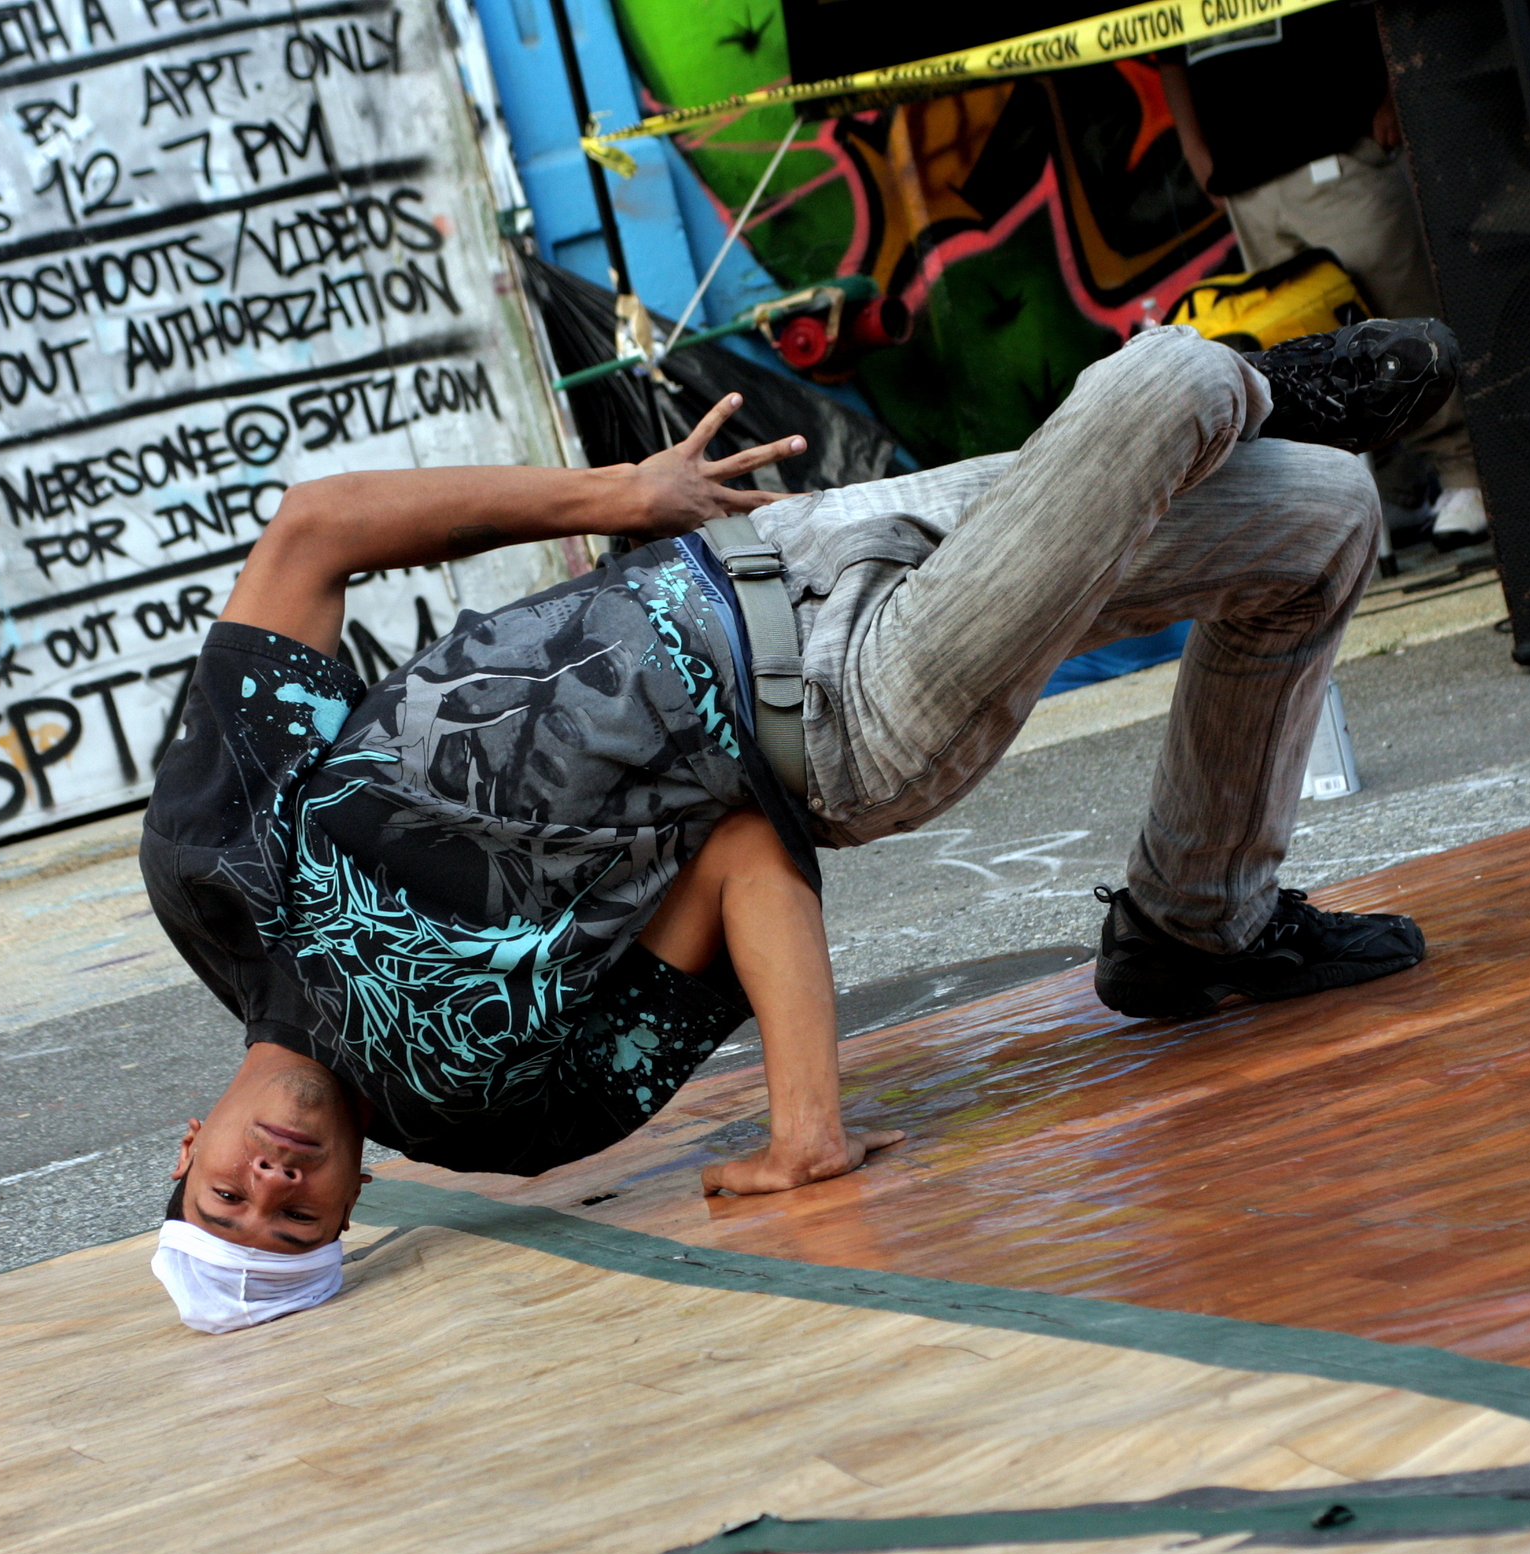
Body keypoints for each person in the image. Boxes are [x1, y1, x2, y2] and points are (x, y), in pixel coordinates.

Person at [140, 318, 1458, 1331]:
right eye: (293, 1225)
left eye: (228, 1201)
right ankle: (1263, 377)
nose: (272, 1185)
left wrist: (625, 496)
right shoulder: (495, 1108)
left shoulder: (217, 864)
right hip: (850, 717)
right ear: (354, 1203)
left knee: (1324, 515)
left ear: (191, 1146)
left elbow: (311, 534)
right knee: (1167, 387)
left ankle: (1195, 921)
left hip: (774, 549)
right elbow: (738, 859)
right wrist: (804, 1122)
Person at [1156, 0, 1489, 551]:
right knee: (1305, 353)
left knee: (1400, 320)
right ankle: (1395, 490)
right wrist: (1195, 150)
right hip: (1247, 177)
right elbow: (1165, 48)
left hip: (1334, 145)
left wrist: (1391, 92)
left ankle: (1464, 474)